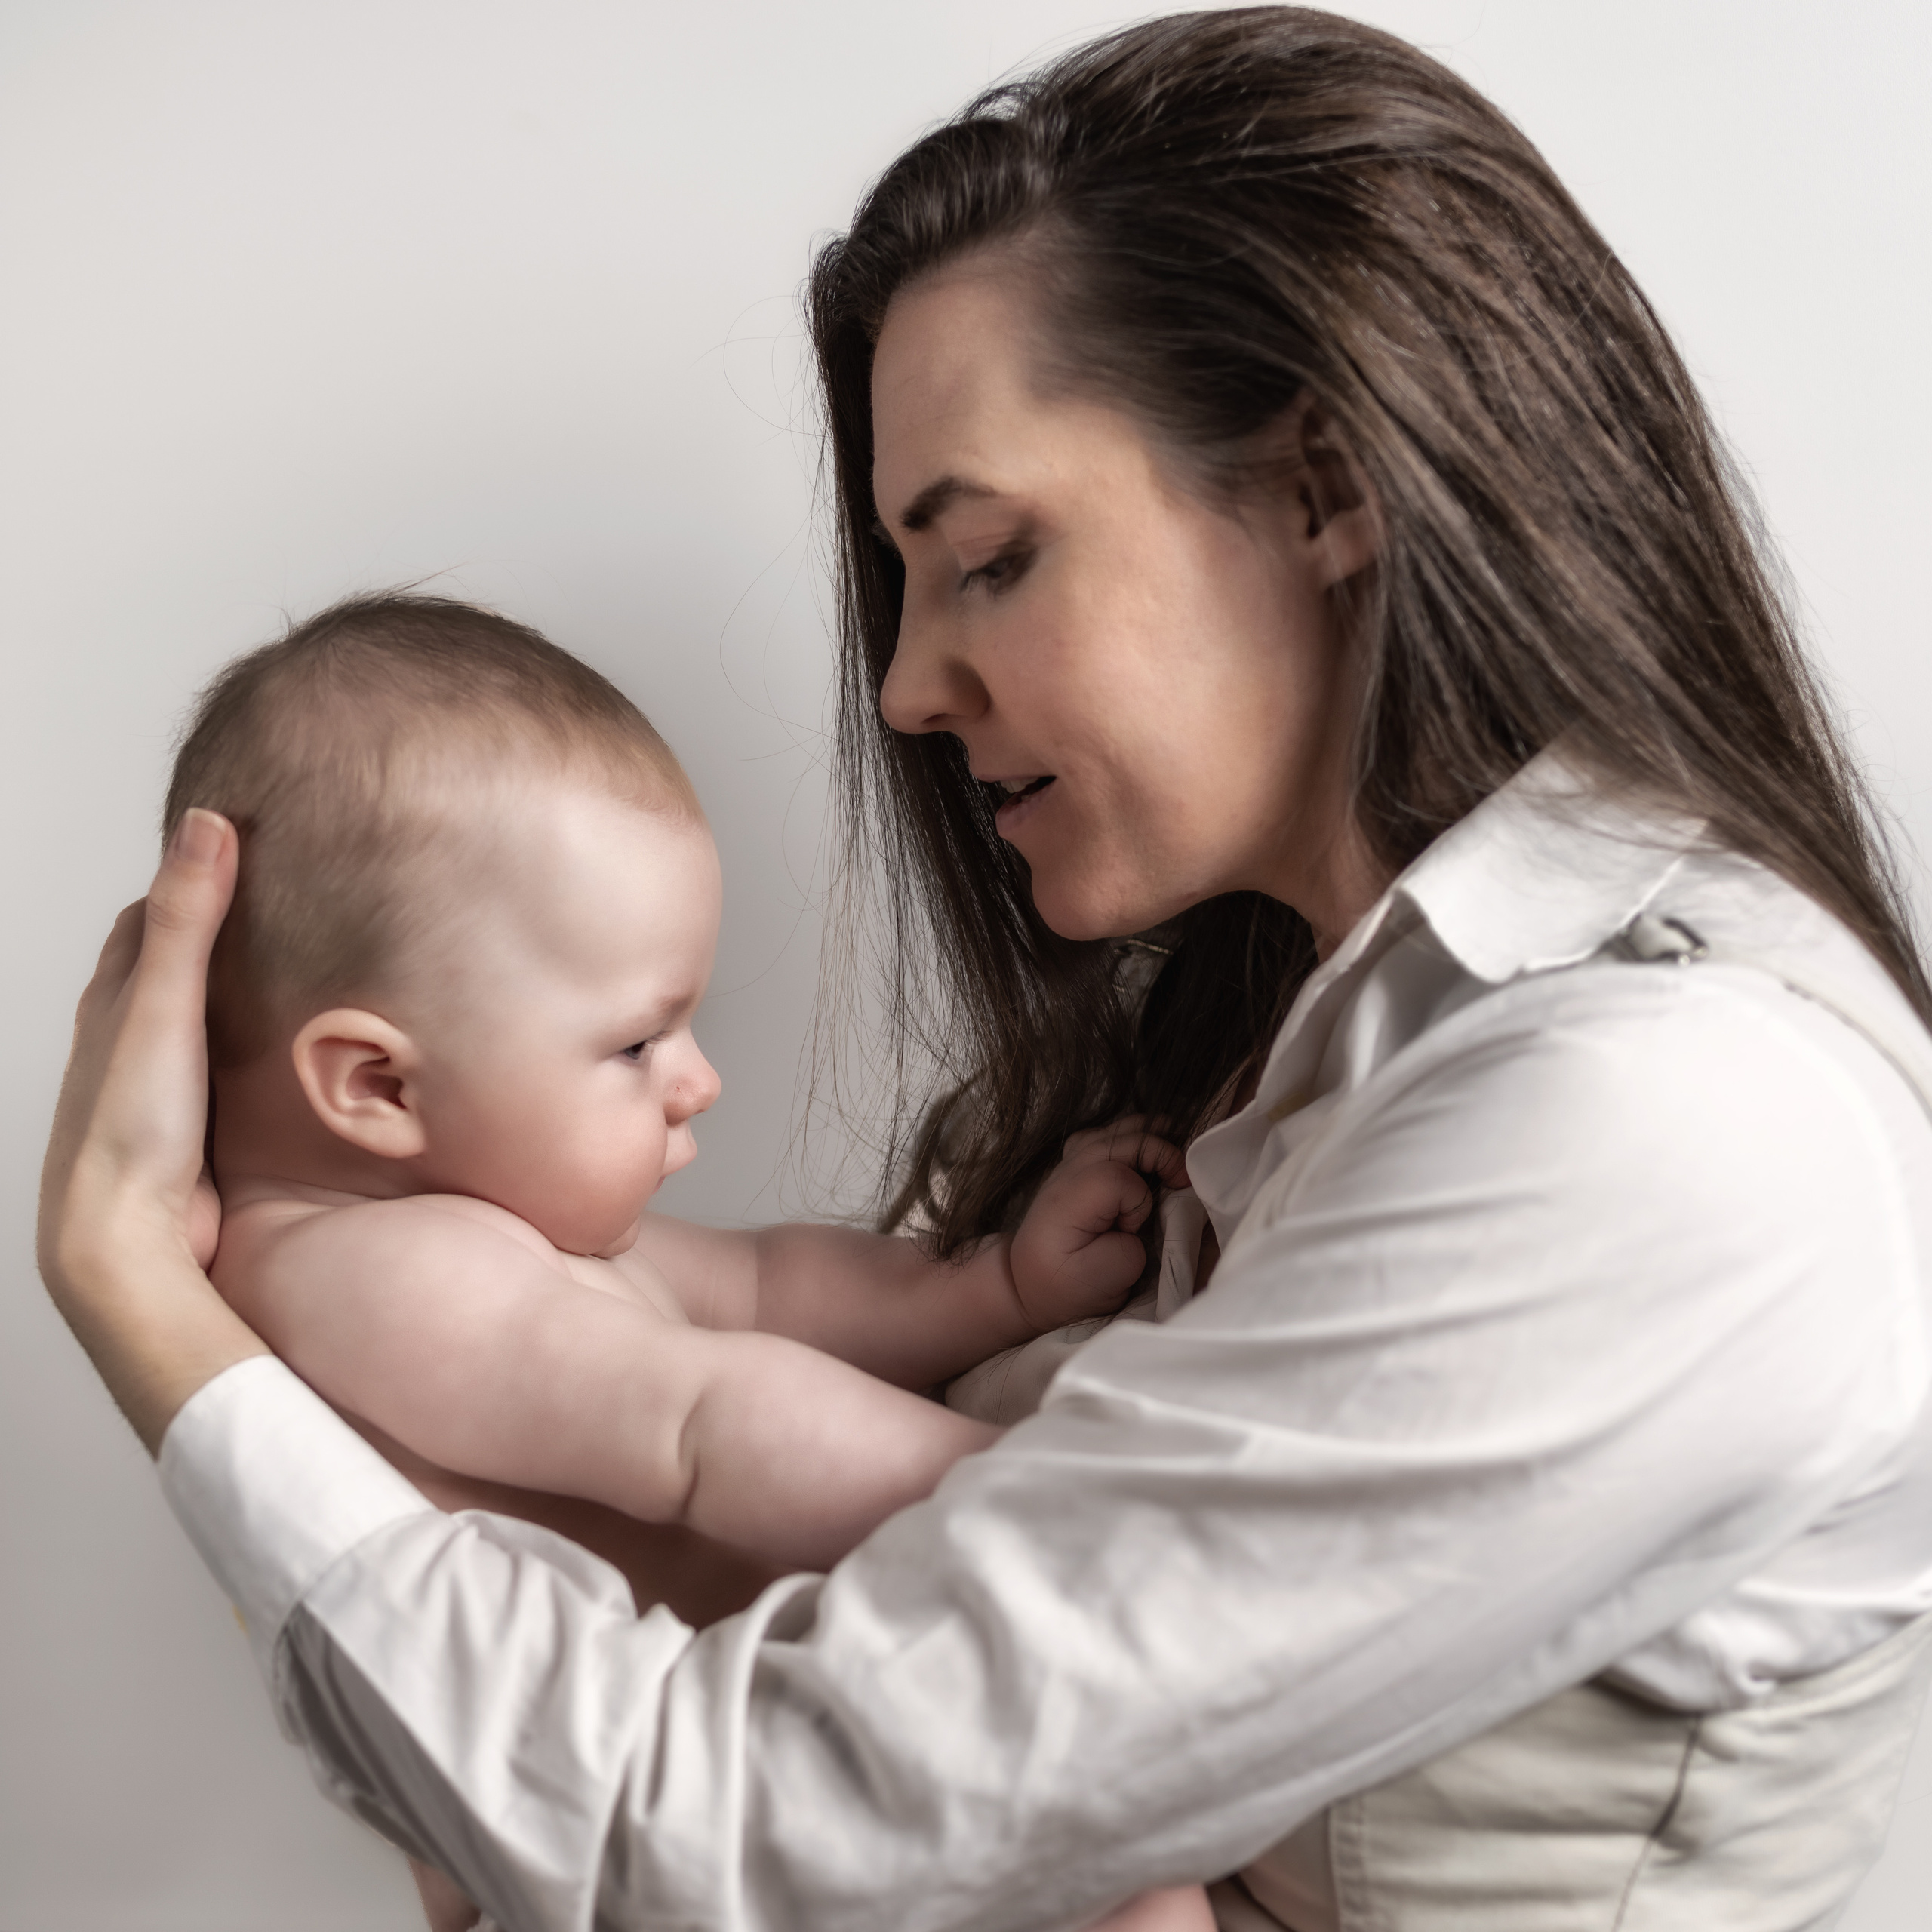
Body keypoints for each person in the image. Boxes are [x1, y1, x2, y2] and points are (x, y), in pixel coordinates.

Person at [38, 11, 1932, 1929]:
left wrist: (147, 1307)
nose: (902, 687)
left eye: (990, 557)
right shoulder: (1316, 1046)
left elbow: (721, 1836)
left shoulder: (1674, 1123)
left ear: (1321, 489)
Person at [171, 592, 1205, 1932]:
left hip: (745, 1787)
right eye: (635, 1044)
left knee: (1124, 1853)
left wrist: (993, 1289)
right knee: (1117, 1861)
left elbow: (769, 1293)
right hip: (667, 1841)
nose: (698, 1080)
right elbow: (703, 1424)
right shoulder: (362, 1279)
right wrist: (1027, 1496)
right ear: (377, 1085)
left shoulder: (492, 1226)